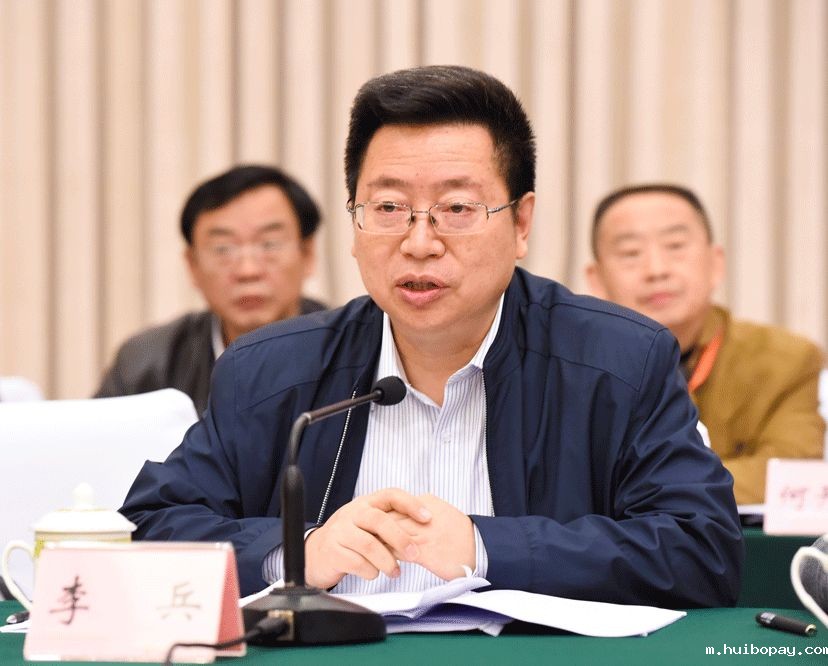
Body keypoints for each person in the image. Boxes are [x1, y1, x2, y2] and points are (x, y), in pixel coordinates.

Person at [121, 66, 742, 608]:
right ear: (355, 222)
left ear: (521, 223)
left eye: (457, 209)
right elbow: (155, 528)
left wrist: (483, 546)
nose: (420, 243)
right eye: (388, 209)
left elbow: (701, 550)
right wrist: (296, 551)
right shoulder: (270, 370)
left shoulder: (619, 360)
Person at [586, 183, 825, 504]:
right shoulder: (570, 364)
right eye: (631, 253)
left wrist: (643, 488)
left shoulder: (787, 360)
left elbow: (792, 477)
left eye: (675, 246)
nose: (656, 270)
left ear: (716, 263)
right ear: (597, 280)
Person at [95, 165, 326, 414]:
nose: (247, 270)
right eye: (223, 249)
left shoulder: (347, 352)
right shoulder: (145, 362)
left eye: (269, 244)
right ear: (192, 265)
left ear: (307, 254)